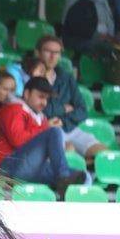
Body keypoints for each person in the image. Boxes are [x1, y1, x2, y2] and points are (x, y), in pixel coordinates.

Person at [0, 76, 86, 196]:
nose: (44, 102)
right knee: (54, 132)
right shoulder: (13, 109)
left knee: (81, 176)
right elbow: (18, 140)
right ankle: (63, 178)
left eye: (46, 98)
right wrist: (45, 128)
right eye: (40, 97)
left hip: (30, 167)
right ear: (27, 93)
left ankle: (64, 189)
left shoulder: (41, 117)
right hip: (7, 167)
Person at [36, 35, 108, 163]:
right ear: (38, 53)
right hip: (46, 129)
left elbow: (82, 110)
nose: (52, 56)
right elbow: (38, 109)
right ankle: (77, 165)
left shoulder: (66, 77)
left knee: (104, 154)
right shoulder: (31, 77)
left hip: (69, 127)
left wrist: (62, 120)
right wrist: (64, 108)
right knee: (68, 151)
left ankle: (82, 165)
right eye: (48, 51)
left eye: (57, 52)